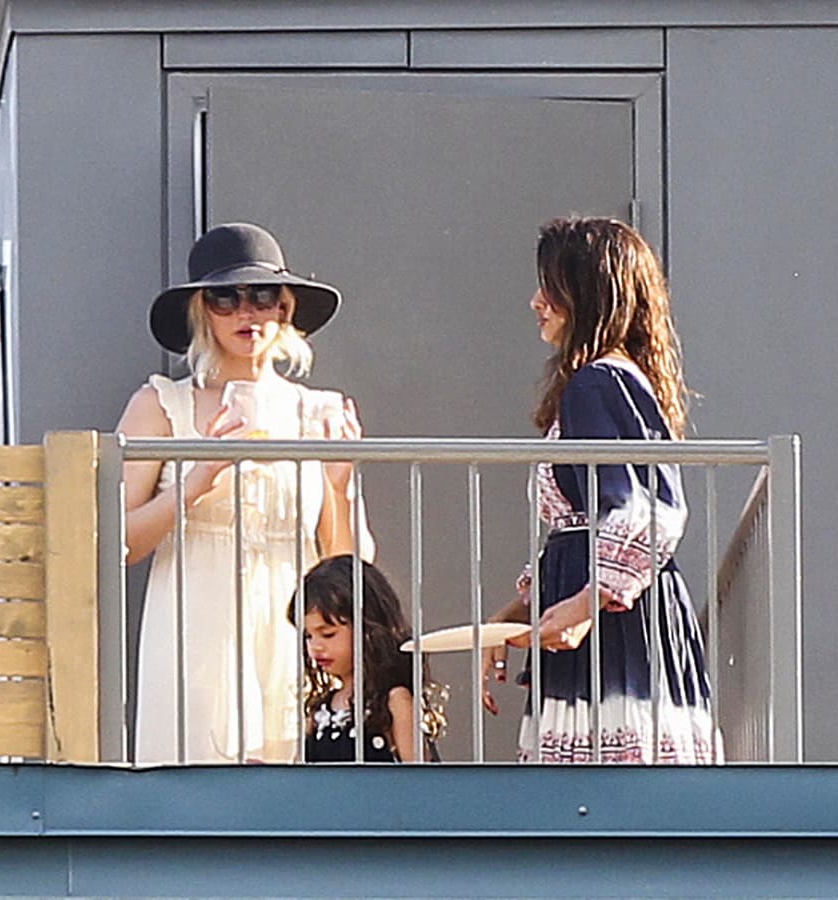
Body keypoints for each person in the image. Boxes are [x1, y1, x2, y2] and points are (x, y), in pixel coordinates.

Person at [121, 222, 373, 765]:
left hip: (290, 634)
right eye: (224, 297)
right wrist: (198, 479)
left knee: (293, 809)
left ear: (285, 309)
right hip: (195, 629)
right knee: (194, 802)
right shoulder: (161, 404)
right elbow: (117, 542)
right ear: (200, 312)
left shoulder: (318, 412)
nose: (246, 312)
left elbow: (345, 570)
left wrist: (341, 483)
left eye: (262, 295)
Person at [482, 216, 719, 764]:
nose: (536, 300)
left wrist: (585, 606)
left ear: (587, 293)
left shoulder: (594, 381)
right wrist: (519, 609)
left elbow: (644, 508)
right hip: (617, 613)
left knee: (597, 801)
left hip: (613, 632)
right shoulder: (617, 378)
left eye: (552, 285)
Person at [287, 555, 445, 763]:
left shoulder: (394, 702)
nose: (316, 646)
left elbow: (421, 780)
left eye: (328, 634)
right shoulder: (319, 711)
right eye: (308, 636)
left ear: (366, 628)